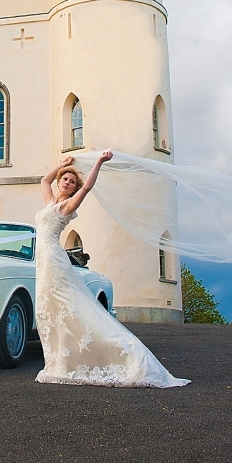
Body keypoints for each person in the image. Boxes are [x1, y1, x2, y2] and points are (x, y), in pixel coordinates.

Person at [35, 152, 190, 388]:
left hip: (54, 262)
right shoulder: (50, 202)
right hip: (43, 262)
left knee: (73, 307)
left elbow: (87, 187)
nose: (67, 183)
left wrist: (98, 162)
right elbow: (44, 181)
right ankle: (62, 363)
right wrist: (62, 164)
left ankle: (129, 353)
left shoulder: (67, 206)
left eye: (71, 181)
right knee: (51, 310)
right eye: (65, 179)